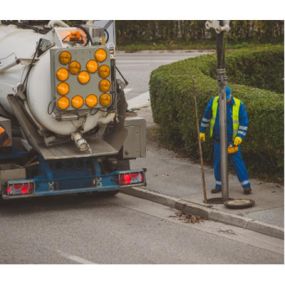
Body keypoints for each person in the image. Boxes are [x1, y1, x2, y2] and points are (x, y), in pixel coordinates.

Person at [199, 86, 252, 194]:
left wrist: (239, 137)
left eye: (227, 98)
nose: (225, 100)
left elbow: (244, 122)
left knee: (238, 163)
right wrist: (202, 131)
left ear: (230, 95)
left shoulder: (238, 104)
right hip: (218, 140)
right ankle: (219, 185)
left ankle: (246, 186)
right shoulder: (214, 102)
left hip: (232, 141)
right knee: (218, 163)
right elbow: (206, 117)